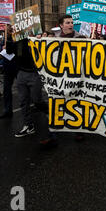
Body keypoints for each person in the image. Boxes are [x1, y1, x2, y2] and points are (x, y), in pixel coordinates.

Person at [40, 15, 86, 148]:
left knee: (76, 104)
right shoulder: (54, 40)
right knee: (55, 105)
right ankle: (52, 135)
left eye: (72, 22)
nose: (71, 24)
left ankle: (80, 132)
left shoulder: (80, 38)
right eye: (67, 22)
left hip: (76, 78)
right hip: (59, 79)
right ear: (61, 25)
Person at [7, 26, 48, 139]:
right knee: (23, 101)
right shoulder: (19, 41)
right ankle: (28, 125)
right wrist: (10, 37)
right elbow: (9, 51)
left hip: (35, 74)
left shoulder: (36, 40)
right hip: (21, 73)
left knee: (37, 100)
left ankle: (50, 113)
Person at [0, 25, 18, 119]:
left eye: (11, 26)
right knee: (6, 90)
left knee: (24, 89)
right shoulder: (4, 39)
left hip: (18, 66)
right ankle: (7, 110)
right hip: (7, 67)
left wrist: (10, 46)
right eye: (8, 27)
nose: (9, 28)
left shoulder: (19, 37)